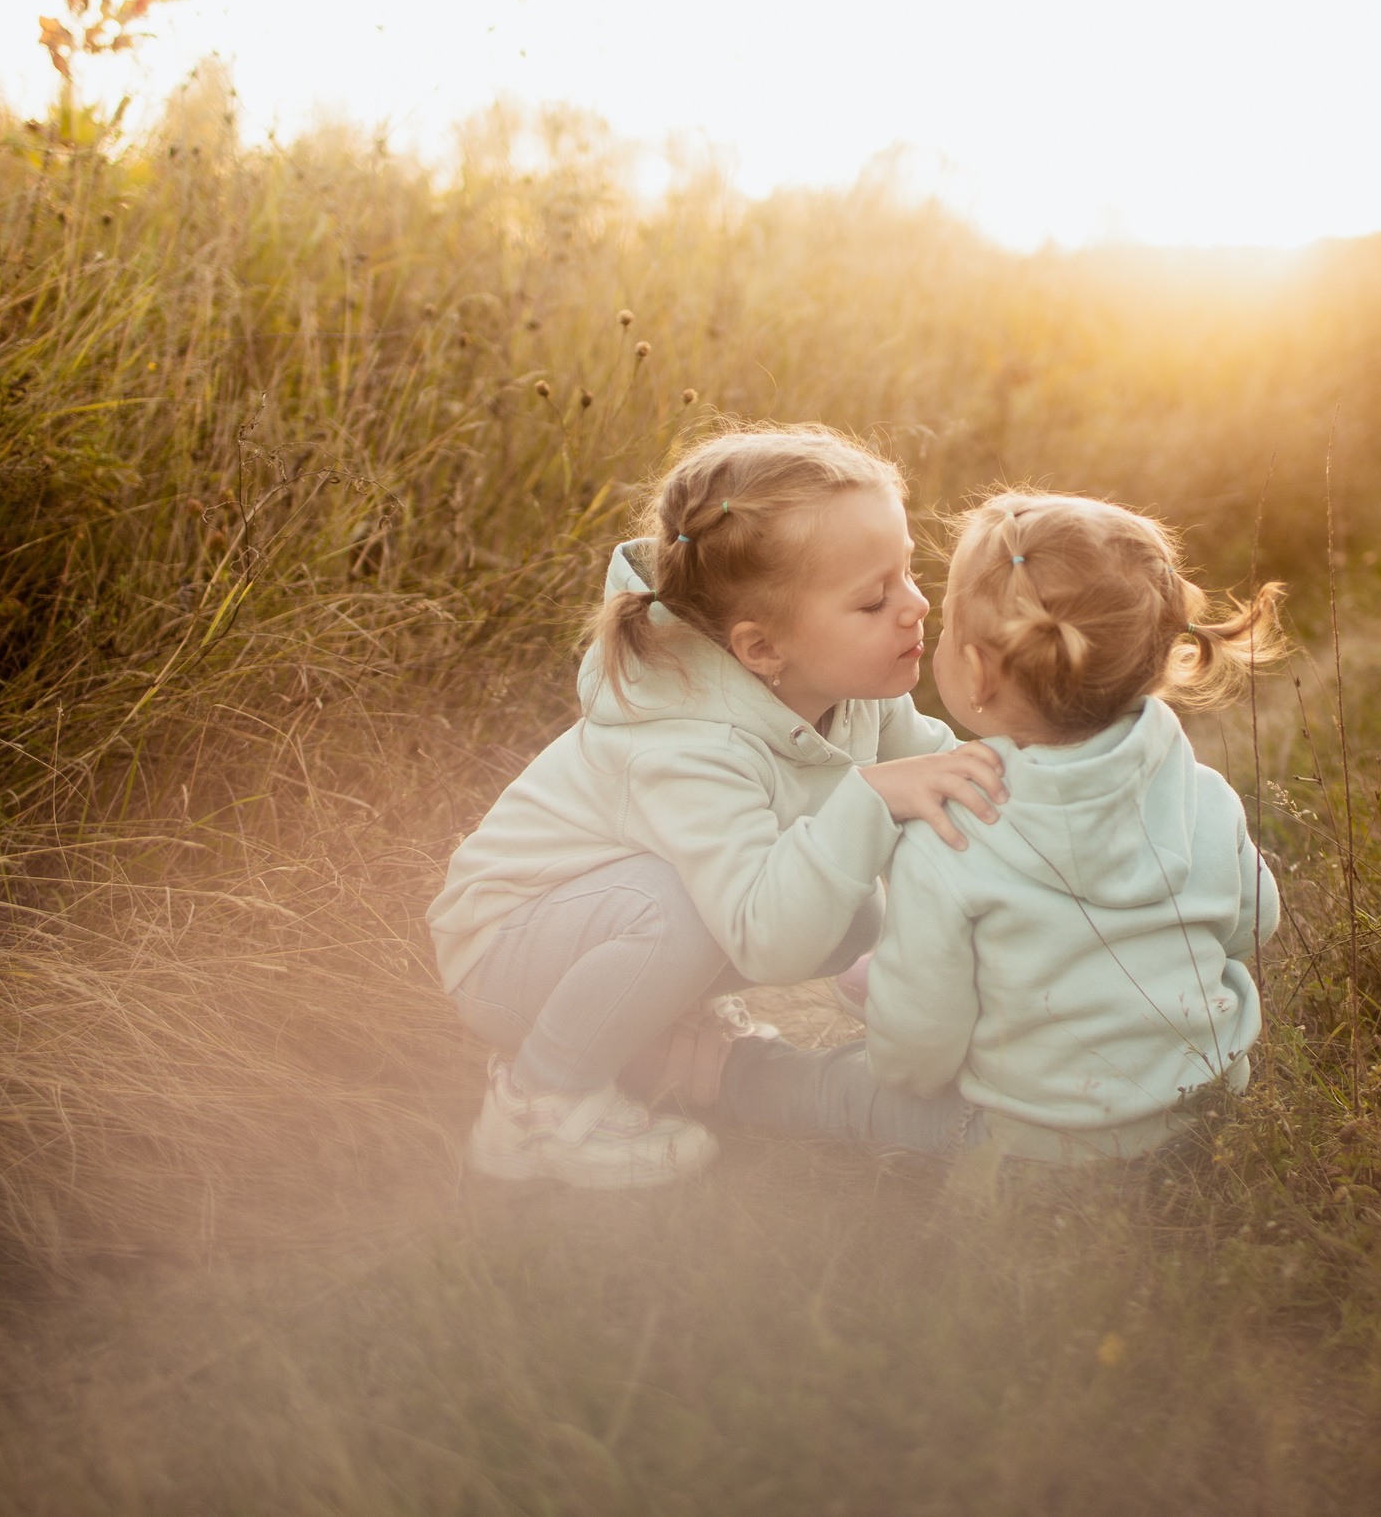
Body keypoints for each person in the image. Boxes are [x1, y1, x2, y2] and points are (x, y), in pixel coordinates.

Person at [426, 425, 1006, 1188]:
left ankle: (657, 1023)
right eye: (874, 599)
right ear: (762, 648)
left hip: (611, 921)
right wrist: (868, 799)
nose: (917, 605)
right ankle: (538, 1103)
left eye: (908, 572)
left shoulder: (849, 689)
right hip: (504, 953)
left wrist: (1068, 808)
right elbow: (768, 941)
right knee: (691, 906)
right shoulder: (686, 744)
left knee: (854, 913)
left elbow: (947, 783)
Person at [840, 491, 1289, 1163]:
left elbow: (916, 1053)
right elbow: (1256, 922)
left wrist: (897, 1054)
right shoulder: (1206, 796)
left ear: (976, 673)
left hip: (1035, 1149)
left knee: (839, 1088)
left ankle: (723, 1070)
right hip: (1209, 1112)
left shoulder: (949, 832)